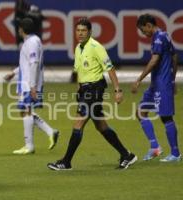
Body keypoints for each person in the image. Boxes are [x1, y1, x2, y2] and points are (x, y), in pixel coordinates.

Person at [47, 17, 137, 171]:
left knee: (78, 123)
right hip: (85, 90)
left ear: (89, 32)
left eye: (84, 30)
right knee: (101, 125)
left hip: (95, 89)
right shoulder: (78, 48)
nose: (80, 33)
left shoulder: (96, 46)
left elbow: (110, 68)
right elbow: (79, 71)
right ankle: (126, 155)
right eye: (78, 30)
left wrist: (117, 90)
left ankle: (66, 162)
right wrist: (79, 89)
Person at [5, 18, 59, 155]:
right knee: (24, 111)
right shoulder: (32, 41)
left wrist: (33, 86)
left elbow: (34, 64)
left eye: (19, 28)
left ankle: (29, 146)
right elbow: (27, 63)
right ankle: (50, 131)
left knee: (26, 111)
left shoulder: (32, 42)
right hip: (28, 83)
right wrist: (14, 72)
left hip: (30, 84)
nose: (18, 30)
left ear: (21, 29)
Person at [131, 13, 181, 162]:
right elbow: (175, 56)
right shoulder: (164, 35)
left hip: (162, 85)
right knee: (140, 112)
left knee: (166, 117)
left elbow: (154, 60)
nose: (143, 33)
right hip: (156, 84)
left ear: (149, 25)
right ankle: (155, 148)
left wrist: (138, 79)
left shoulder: (159, 38)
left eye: (143, 30)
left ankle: (176, 153)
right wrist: (173, 78)